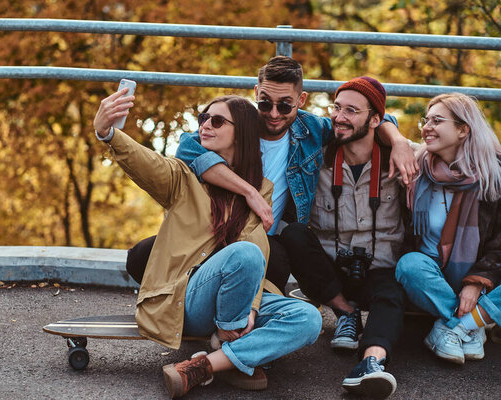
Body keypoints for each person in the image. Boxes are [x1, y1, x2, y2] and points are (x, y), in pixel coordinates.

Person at [93, 91, 322, 398]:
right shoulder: (182, 177)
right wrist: (107, 132)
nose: (204, 126)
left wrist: (252, 310)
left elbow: (256, 245)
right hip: (188, 299)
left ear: (240, 133)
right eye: (203, 118)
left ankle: (204, 366)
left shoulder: (260, 189)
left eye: (217, 121)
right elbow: (143, 161)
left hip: (238, 297)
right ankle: (234, 345)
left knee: (308, 319)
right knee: (245, 254)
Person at [126, 56, 417, 294]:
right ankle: (200, 300)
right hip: (212, 234)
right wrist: (248, 191)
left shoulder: (313, 131)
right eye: (265, 102)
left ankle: (229, 312)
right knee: (139, 258)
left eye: (285, 105)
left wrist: (399, 142)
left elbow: (371, 119)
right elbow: (189, 148)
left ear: (301, 99)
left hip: (261, 243)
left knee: (278, 261)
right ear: (256, 93)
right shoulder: (237, 122)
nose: (274, 113)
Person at [280, 77, 406, 399]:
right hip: (330, 270)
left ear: (375, 120)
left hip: (379, 269)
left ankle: (371, 363)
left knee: (391, 293)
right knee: (293, 235)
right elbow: (280, 121)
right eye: (337, 108)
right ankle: (346, 314)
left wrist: (401, 142)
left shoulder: (399, 159)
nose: (339, 117)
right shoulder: (315, 159)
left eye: (352, 110)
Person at [395, 93, 501, 365]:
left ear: (463, 129)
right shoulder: (416, 166)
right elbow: (378, 118)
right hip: (432, 278)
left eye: (437, 120)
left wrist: (476, 282)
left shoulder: (494, 174)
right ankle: (475, 323)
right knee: (409, 265)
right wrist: (396, 140)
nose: (426, 127)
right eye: (426, 120)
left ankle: (456, 328)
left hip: (483, 278)